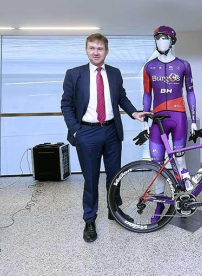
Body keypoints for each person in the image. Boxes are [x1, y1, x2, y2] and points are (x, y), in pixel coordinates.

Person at [61, 33, 148, 243]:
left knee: (114, 176)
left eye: (100, 48)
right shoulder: (74, 74)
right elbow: (66, 105)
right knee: (90, 179)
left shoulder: (115, 73)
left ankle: (113, 210)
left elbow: (121, 98)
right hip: (86, 133)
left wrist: (134, 113)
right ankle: (89, 220)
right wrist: (76, 131)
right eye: (92, 48)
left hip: (111, 132)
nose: (96, 52)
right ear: (86, 50)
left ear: (106, 51)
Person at [140, 26, 202, 223]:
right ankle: (159, 203)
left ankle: (182, 200)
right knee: (157, 164)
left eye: (165, 38)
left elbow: (190, 92)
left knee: (180, 160)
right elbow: (147, 94)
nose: (161, 41)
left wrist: (193, 120)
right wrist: (145, 122)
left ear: (172, 41)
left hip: (179, 118)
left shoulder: (184, 65)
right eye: (158, 38)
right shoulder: (149, 67)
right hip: (157, 119)